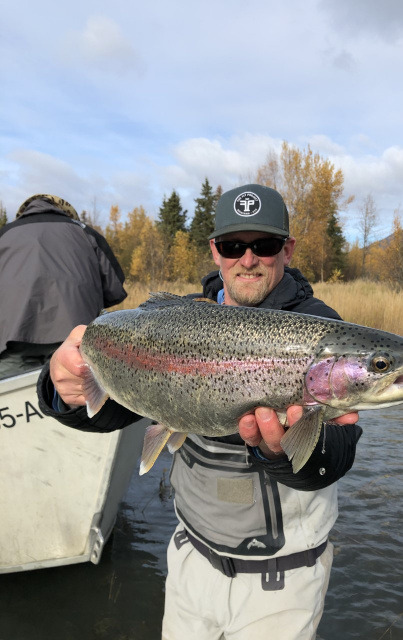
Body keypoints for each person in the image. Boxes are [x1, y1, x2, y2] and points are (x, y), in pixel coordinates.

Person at [37, 184, 362, 640]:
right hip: (191, 564)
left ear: (287, 249)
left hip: (283, 584)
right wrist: (59, 387)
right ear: (215, 251)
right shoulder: (174, 322)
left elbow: (336, 458)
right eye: (233, 246)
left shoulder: (322, 329)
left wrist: (278, 451)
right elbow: (108, 413)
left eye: (263, 246)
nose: (247, 260)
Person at [0, 194, 127, 380]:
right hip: (76, 335)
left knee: (11, 396)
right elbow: (114, 289)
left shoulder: (5, 234)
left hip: (11, 338)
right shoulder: (85, 233)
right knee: (78, 398)